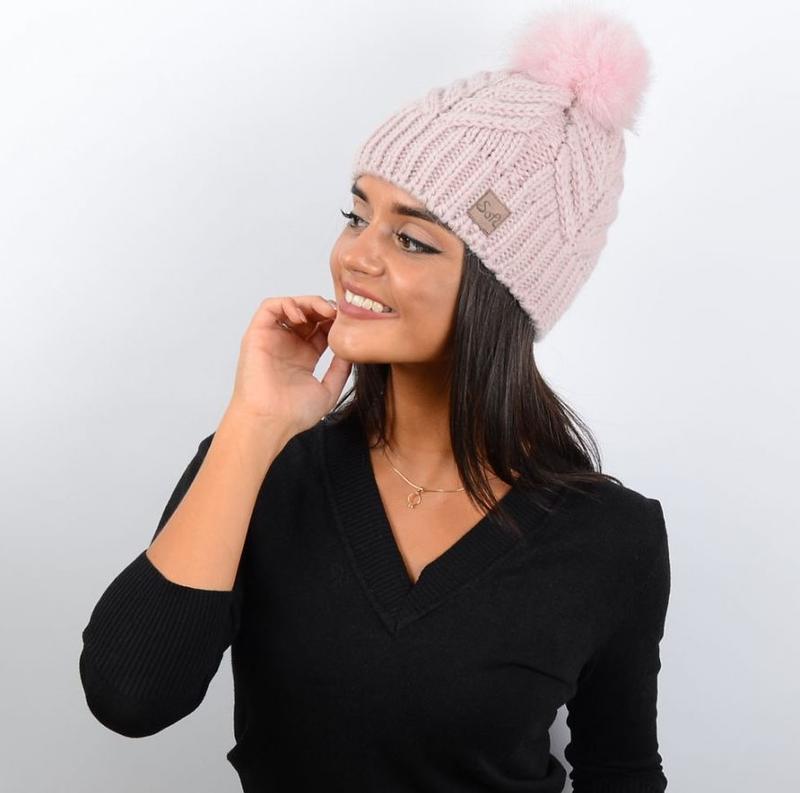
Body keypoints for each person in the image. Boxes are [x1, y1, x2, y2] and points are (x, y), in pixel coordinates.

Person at [79, 5, 671, 792]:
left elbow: (620, 772)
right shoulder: (262, 467)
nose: (356, 255)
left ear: (502, 292)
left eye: (412, 238)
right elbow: (129, 696)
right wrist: (252, 425)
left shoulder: (613, 537)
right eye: (355, 215)